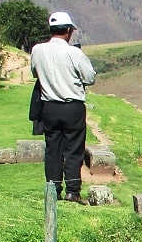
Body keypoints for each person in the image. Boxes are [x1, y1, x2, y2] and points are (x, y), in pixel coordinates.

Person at [30, 12, 96, 204]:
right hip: (72, 107)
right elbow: (90, 78)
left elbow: (34, 72)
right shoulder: (74, 53)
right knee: (74, 150)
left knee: (53, 149)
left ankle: (53, 189)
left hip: (49, 106)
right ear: (68, 31)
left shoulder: (37, 50)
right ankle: (73, 191)